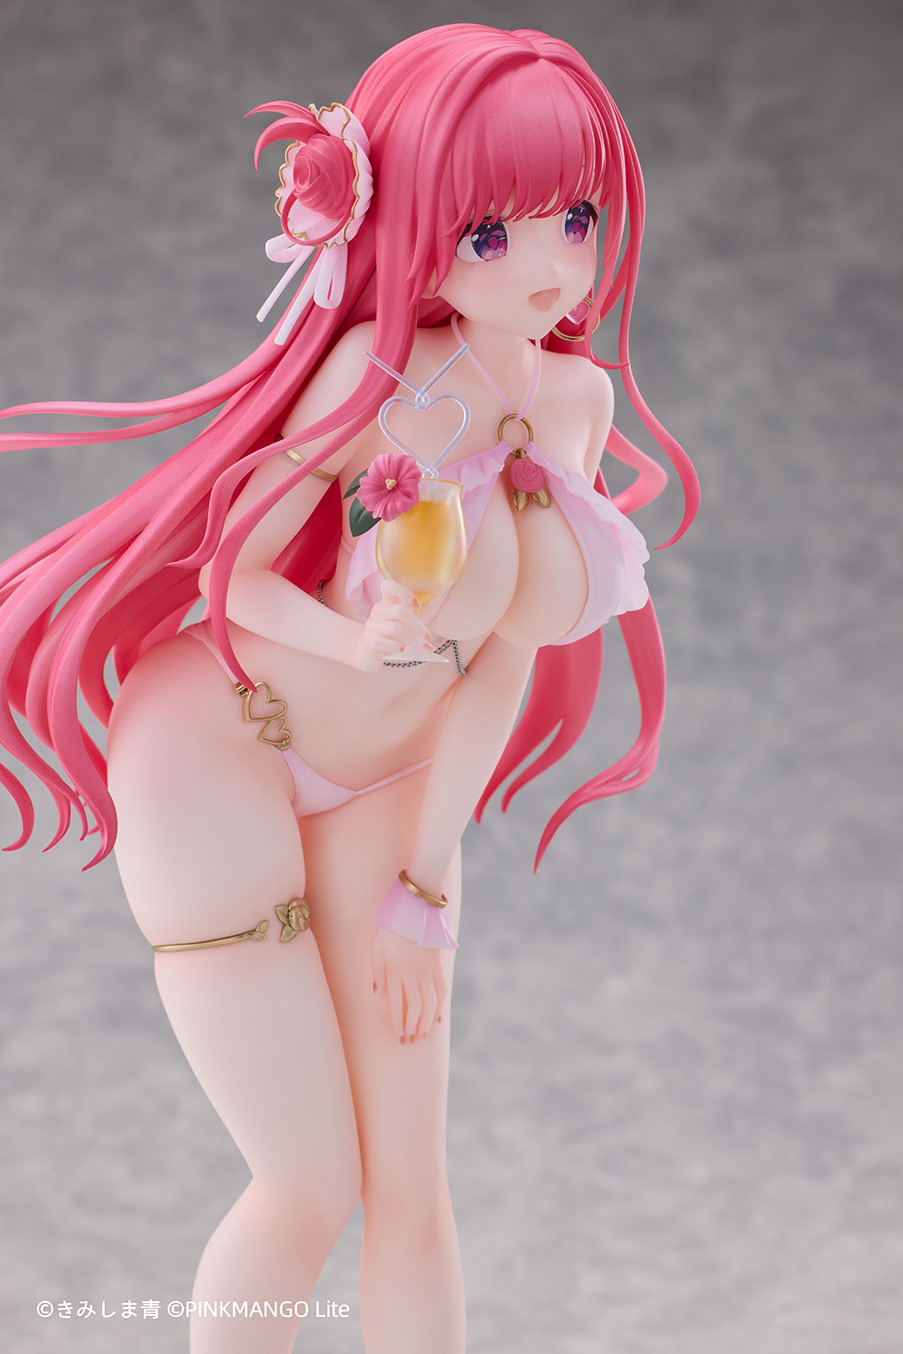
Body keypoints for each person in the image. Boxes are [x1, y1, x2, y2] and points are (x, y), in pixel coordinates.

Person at [0, 23, 698, 1354]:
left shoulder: (576, 403)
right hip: (223, 743)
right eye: (491, 233)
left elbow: (502, 660)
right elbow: (234, 579)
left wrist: (422, 882)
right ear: (411, 224)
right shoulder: (374, 377)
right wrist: (348, 636)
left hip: (390, 779)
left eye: (578, 220)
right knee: (309, 1180)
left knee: (411, 1191)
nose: (552, 266)